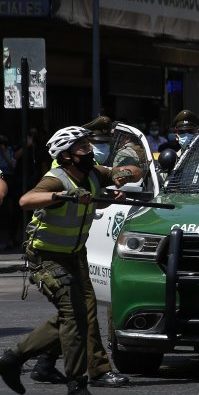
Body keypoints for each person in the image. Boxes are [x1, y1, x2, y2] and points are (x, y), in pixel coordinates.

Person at [0, 126, 141, 395]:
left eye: (89, 146)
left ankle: (14, 359)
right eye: (83, 148)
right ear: (66, 156)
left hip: (75, 256)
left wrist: (122, 176)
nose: (90, 152)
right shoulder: (57, 179)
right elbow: (25, 200)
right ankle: (77, 384)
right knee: (73, 318)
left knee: (78, 318)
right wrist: (62, 196)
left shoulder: (93, 174)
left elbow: (134, 171)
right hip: (47, 258)